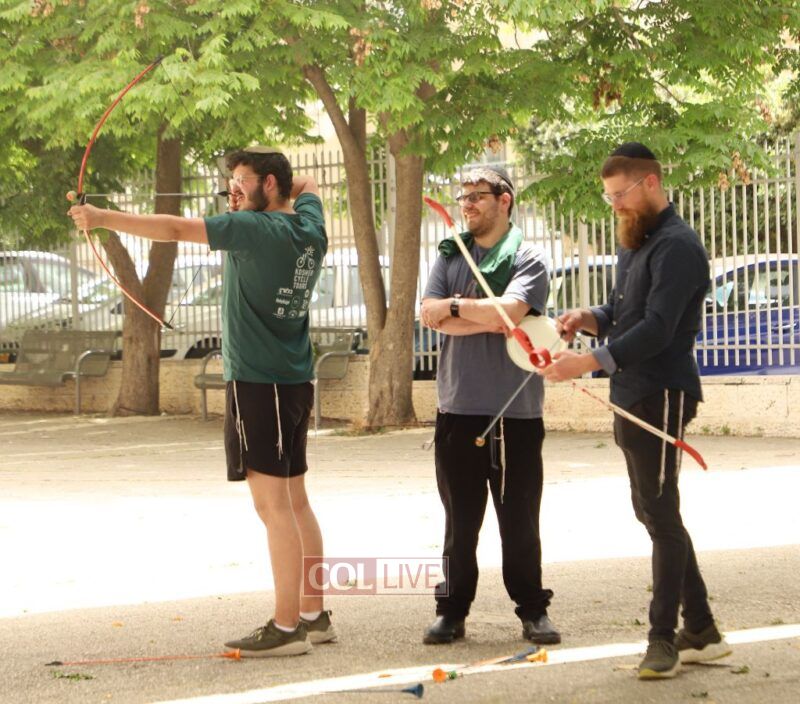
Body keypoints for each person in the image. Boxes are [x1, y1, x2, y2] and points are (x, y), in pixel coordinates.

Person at [69, 146, 336, 657]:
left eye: (242, 181)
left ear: (270, 185)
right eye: (230, 182)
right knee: (295, 500)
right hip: (293, 381)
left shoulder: (252, 228)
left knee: (273, 506)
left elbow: (172, 227)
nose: (232, 191)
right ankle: (313, 615)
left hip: (259, 383)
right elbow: (307, 185)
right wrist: (255, 188)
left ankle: (286, 629)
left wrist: (101, 218)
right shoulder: (309, 224)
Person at [541, 142, 732, 679]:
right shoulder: (635, 239)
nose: (616, 205)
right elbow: (624, 312)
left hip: (663, 392)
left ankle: (662, 639)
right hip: (630, 391)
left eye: (620, 194)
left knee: (661, 514)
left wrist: (587, 363)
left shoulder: (679, 246)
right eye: (609, 197)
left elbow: (658, 328)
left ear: (651, 183)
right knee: (651, 510)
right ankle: (702, 629)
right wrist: (588, 318)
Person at [420, 166, 560, 646]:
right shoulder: (450, 254)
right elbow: (429, 314)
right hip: (457, 408)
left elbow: (512, 312)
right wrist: (485, 314)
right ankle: (451, 611)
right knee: (459, 522)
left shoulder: (529, 258)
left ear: (505, 200)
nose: (467, 204)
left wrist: (456, 308)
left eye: (477, 195)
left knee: (519, 520)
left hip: (515, 412)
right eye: (462, 196)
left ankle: (533, 610)